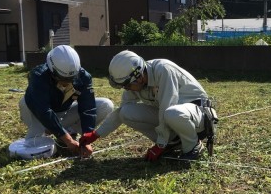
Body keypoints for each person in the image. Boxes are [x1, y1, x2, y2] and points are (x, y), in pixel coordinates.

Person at [79, 50, 217, 162]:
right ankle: (173, 142)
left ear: (138, 76)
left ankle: (193, 146)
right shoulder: (136, 84)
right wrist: (96, 134)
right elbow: (121, 110)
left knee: (171, 112)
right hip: (173, 116)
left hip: (199, 116)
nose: (126, 89)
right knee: (125, 112)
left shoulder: (163, 70)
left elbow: (167, 106)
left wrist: (159, 145)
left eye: (127, 85)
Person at [19, 45, 114, 158]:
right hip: (39, 117)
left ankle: (68, 130)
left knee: (106, 105)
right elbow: (43, 110)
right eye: (62, 78)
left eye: (71, 78)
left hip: (63, 114)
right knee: (25, 101)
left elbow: (88, 108)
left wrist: (86, 140)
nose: (67, 82)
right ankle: (46, 133)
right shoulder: (38, 76)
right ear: (52, 71)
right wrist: (68, 140)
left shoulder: (83, 77)